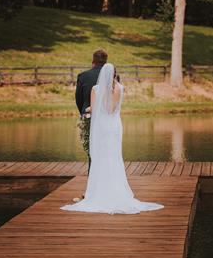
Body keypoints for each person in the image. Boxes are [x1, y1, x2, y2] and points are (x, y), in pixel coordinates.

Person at [61, 63, 164, 214]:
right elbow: (112, 109)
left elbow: (99, 110)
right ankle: (114, 191)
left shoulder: (96, 90)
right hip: (114, 127)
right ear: (115, 74)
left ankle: (99, 193)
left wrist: (89, 109)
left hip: (102, 127)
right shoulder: (120, 88)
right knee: (114, 157)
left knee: (101, 158)